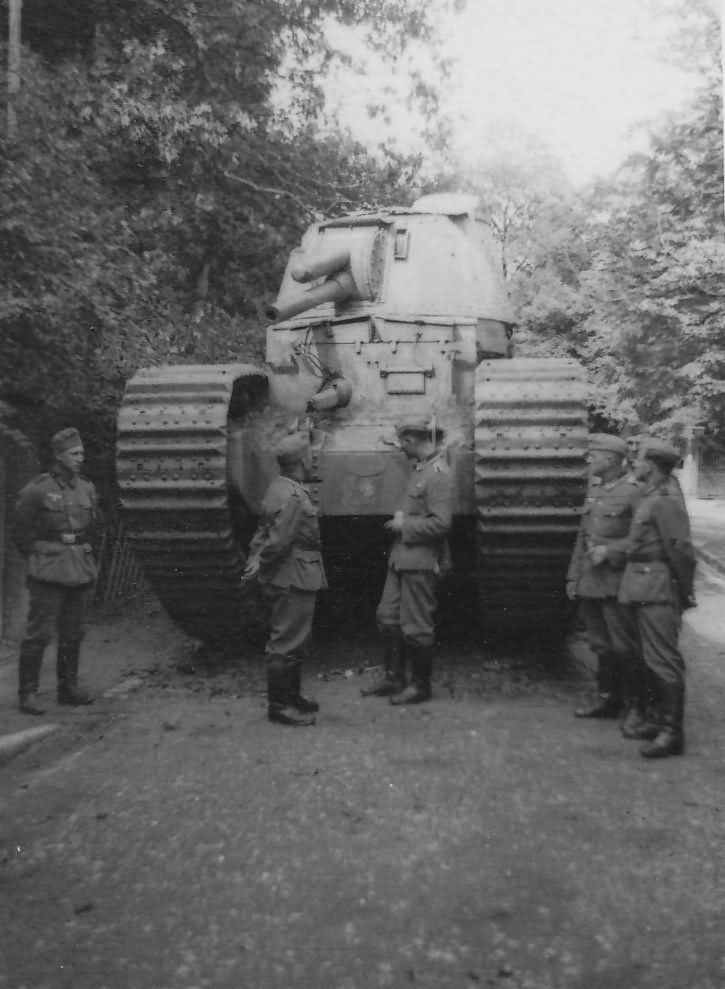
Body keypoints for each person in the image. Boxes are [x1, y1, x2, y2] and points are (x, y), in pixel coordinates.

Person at [364, 417, 453, 705]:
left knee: (416, 625)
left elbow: (442, 523)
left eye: (403, 443)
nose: (401, 449)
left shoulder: (438, 474)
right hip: (401, 558)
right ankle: (394, 678)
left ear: (411, 440)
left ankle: (420, 686)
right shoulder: (420, 470)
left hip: (420, 560)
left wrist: (405, 525)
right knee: (387, 617)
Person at [12, 427, 99, 714]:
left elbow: (93, 529)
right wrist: (38, 556)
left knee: (73, 633)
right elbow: (20, 531)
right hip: (48, 571)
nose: (80, 458)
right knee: (39, 634)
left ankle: (68, 689)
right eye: (74, 453)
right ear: (59, 456)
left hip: (80, 568)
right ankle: (28, 694)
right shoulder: (38, 489)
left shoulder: (86, 488)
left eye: (81, 453)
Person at [242, 432, 327, 726]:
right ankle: (280, 706)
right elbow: (278, 542)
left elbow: (262, 532)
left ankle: (292, 696)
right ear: (303, 460)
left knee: (295, 638)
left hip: (286, 574)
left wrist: (255, 558)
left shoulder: (277, 487)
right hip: (293, 576)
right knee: (287, 641)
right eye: (310, 455)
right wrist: (264, 561)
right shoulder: (294, 496)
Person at [618, 439, 696, 758]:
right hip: (640, 584)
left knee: (663, 661)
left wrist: (683, 590)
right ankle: (655, 720)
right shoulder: (649, 495)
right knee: (646, 658)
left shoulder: (666, 498)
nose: (634, 464)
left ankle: (672, 732)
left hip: (658, 587)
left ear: (651, 465)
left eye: (638, 459)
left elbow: (681, 549)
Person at [566, 433, 643, 725]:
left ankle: (636, 706)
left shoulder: (634, 492)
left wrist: (611, 551)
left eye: (593, 455)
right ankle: (608, 700)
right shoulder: (595, 488)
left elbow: (643, 537)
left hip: (617, 580)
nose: (589, 460)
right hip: (591, 580)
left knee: (624, 646)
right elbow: (582, 536)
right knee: (600, 644)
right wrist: (573, 576)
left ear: (611, 459)